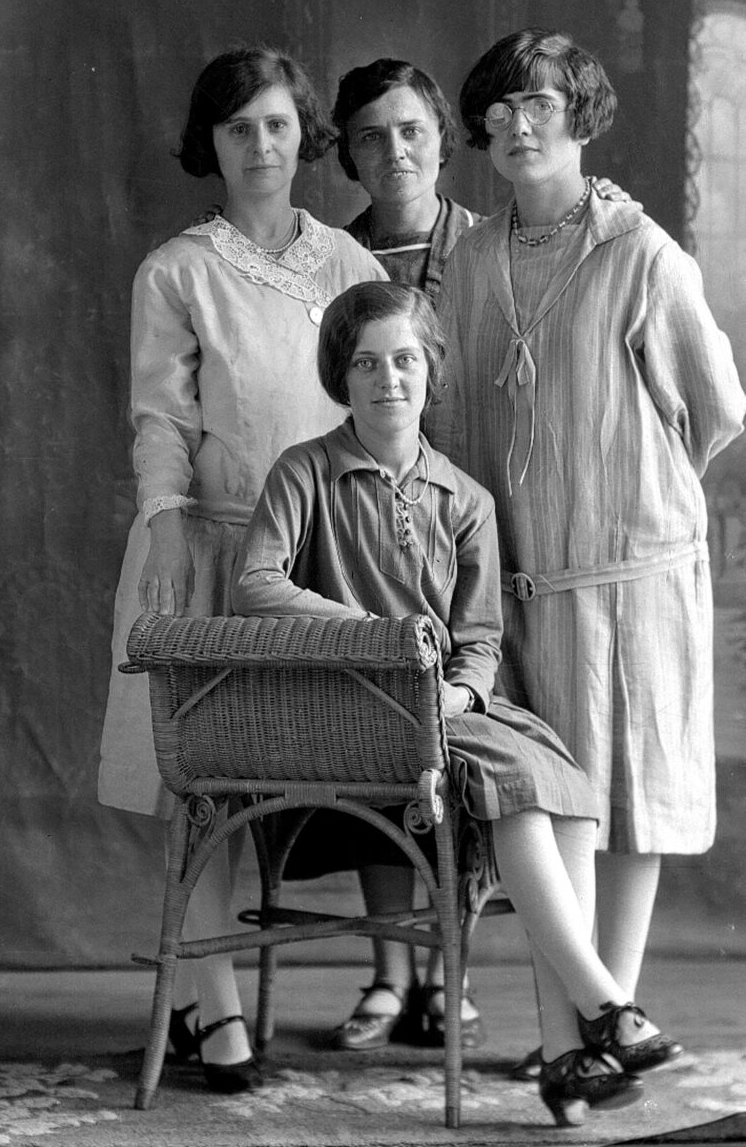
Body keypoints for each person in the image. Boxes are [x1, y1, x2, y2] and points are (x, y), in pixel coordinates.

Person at [231, 279, 683, 1128]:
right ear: (342, 375)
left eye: (405, 361)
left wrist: (462, 687)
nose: (387, 380)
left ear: (430, 372)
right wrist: (373, 634)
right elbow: (256, 583)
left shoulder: (465, 497)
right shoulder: (306, 473)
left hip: (446, 704)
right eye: (366, 364)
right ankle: (606, 1009)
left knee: (568, 790)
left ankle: (570, 1056)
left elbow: (479, 637)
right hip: (351, 708)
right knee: (521, 778)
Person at [428, 28, 746, 1080]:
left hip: (632, 576)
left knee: (627, 804)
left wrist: (626, 502)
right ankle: (582, 1034)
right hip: (517, 582)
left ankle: (600, 1038)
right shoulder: (470, 262)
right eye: (503, 110)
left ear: (583, 115)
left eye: (544, 105)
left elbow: (716, 412)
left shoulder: (644, 254)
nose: (521, 126)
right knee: (544, 798)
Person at [303, 56, 634, 1055]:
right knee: (381, 741)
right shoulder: (332, 256)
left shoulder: (486, 243)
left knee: (479, 739)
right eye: (369, 135)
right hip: (362, 518)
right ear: (349, 155)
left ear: (446, 139)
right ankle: (389, 972)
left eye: (411, 129)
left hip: (478, 513)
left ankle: (454, 975)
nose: (393, 150)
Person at [98, 45, 386, 1094]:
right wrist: (166, 520)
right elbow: (162, 419)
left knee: (336, 775)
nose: (260, 146)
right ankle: (214, 1012)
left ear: (303, 134)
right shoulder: (179, 270)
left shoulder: (351, 268)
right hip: (211, 543)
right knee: (204, 789)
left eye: (276, 124)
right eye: (237, 128)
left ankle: (383, 985)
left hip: (320, 557)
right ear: (209, 144)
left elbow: (380, 410)